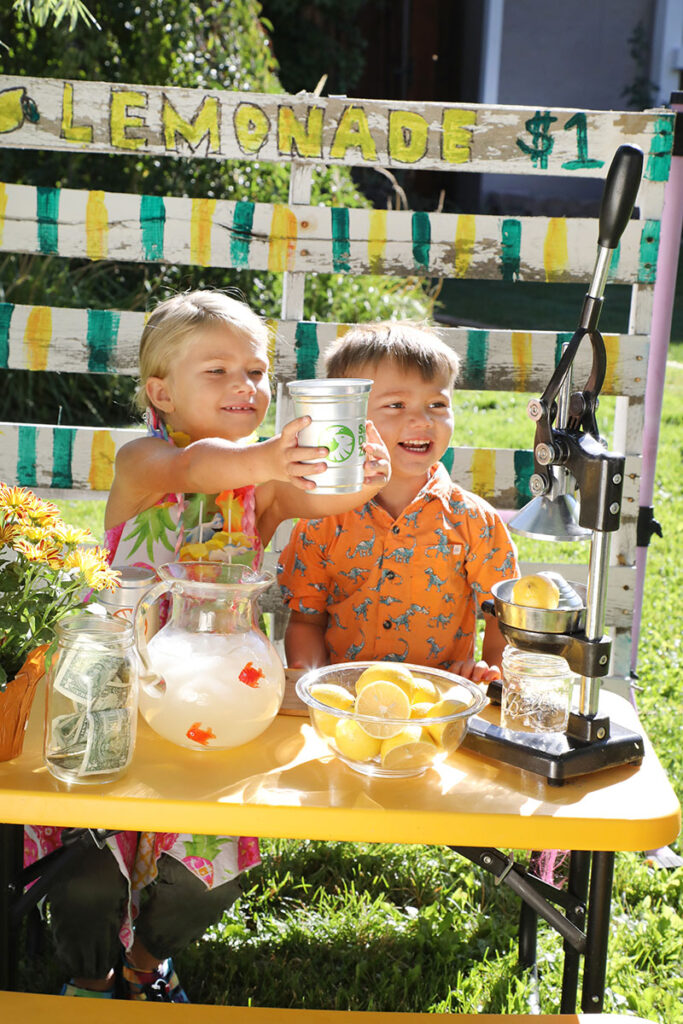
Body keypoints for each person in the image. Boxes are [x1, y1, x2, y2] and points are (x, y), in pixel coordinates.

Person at [25, 290, 390, 1002]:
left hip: (214, 704)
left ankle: (146, 963)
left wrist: (363, 478)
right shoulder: (145, 461)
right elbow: (201, 470)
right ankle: (91, 974)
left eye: (255, 372)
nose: (244, 386)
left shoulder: (262, 488)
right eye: (216, 370)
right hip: (115, 698)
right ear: (160, 391)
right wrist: (270, 455)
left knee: (207, 869)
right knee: (90, 871)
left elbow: (318, 497)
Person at [278, 321, 519, 680]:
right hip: (345, 705)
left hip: (438, 707)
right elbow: (305, 621)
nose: (421, 420)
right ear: (349, 415)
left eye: (437, 404)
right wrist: (316, 685)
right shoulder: (321, 518)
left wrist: (491, 671)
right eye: (396, 404)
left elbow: (503, 616)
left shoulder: (474, 521)